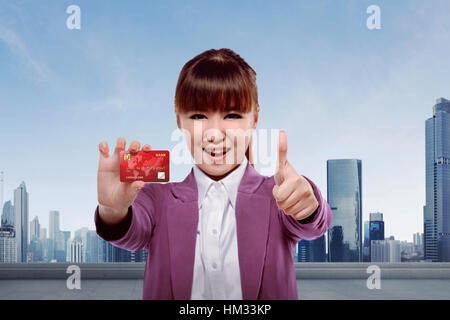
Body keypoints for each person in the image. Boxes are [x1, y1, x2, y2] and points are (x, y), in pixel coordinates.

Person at [95, 48, 332, 300]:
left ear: (254, 119)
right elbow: (131, 230)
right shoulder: (157, 198)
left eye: (232, 115)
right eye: (198, 116)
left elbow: (315, 225)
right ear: (179, 120)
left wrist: (308, 205)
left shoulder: (276, 195)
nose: (214, 133)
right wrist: (112, 209)